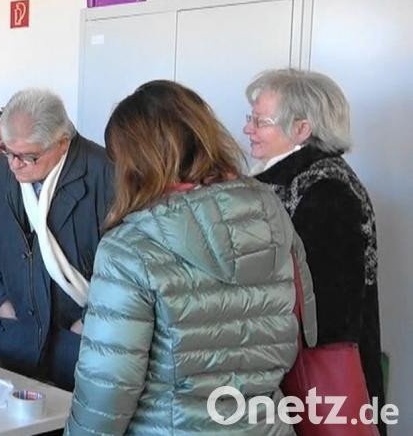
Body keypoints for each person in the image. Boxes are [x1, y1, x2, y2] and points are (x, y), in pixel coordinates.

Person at [66, 80, 307, 435]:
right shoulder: (271, 216)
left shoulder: (129, 250)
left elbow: (107, 390)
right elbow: (302, 331)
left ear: (134, 162)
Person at [245, 69, 385, 434]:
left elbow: (326, 317)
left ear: (302, 129)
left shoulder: (326, 189)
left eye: (260, 122)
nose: (248, 129)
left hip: (315, 379)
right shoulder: (297, 179)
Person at [0, 88, 114, 391]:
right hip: (17, 335)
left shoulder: (105, 174)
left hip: (82, 340)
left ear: (62, 142)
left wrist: (88, 321)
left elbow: (122, 266)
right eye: (8, 151)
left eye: (28, 156)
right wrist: (0, 300)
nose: (14, 164)